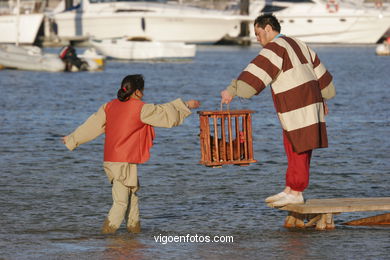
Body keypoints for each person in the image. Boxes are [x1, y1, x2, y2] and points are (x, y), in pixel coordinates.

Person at [220, 14, 336, 207]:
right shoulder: (299, 43)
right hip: (308, 101)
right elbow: (321, 75)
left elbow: (255, 74)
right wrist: (323, 98)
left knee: (298, 146)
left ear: (268, 28)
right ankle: (290, 188)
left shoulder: (275, 47)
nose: (257, 39)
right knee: (294, 144)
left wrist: (232, 90)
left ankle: (297, 191)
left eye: (258, 33)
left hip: (298, 103)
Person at [63, 74, 200, 234]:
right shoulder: (140, 108)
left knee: (132, 196)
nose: (143, 93)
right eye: (142, 90)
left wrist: (72, 138)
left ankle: (134, 232)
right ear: (137, 92)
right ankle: (105, 236)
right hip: (124, 160)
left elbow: (92, 125)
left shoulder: (108, 106)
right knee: (121, 202)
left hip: (111, 159)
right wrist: (186, 105)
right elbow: (164, 114)